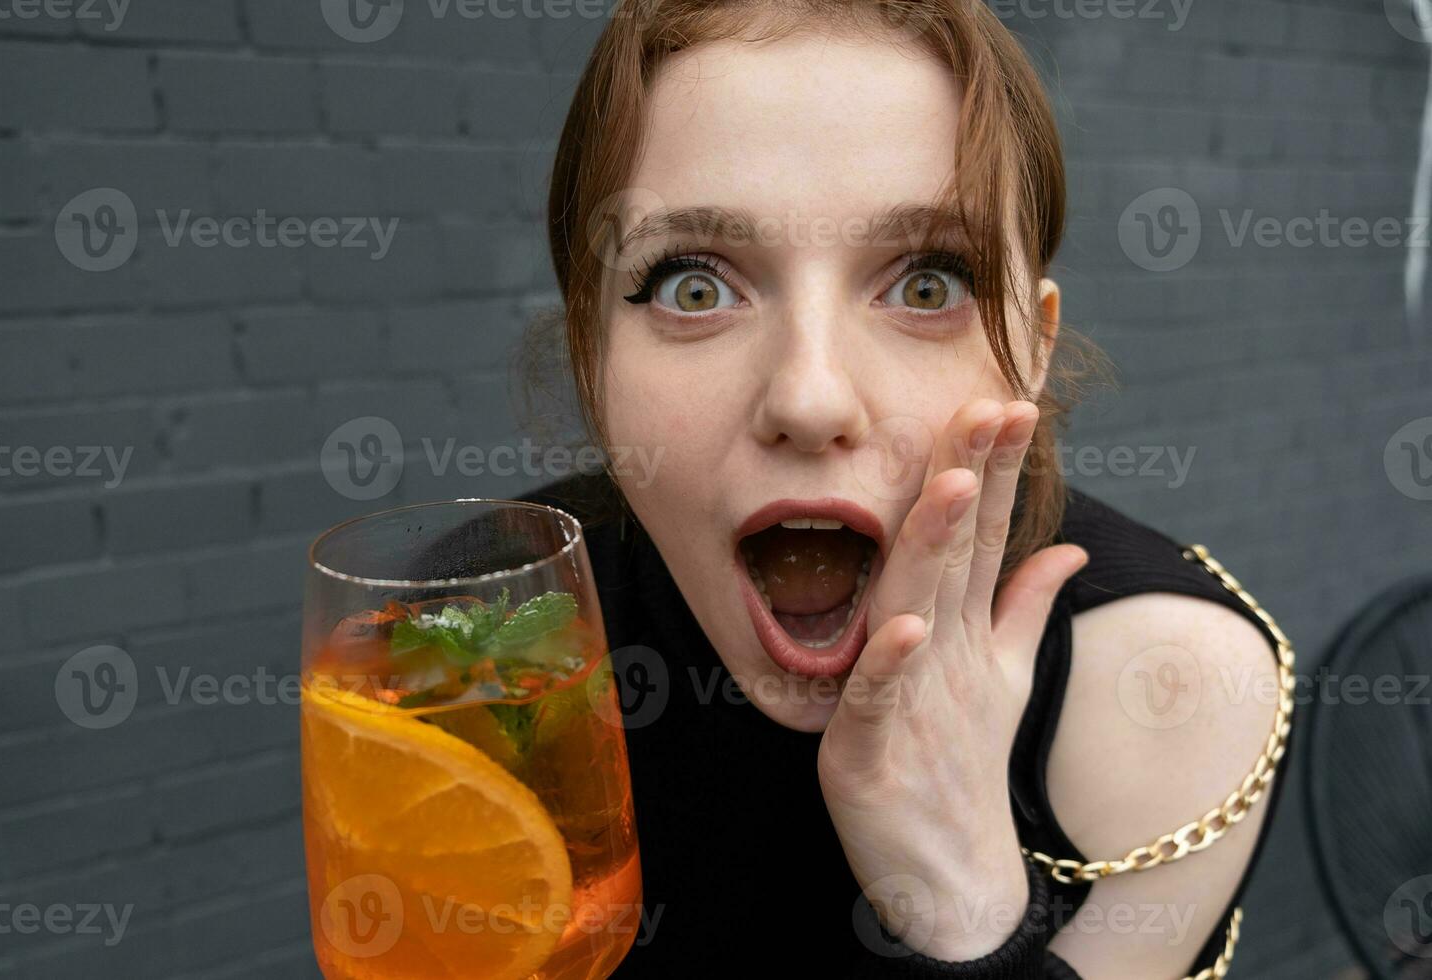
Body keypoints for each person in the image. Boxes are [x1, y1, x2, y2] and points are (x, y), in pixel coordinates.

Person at [515, 1, 1293, 976]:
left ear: (1035, 351)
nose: (809, 395)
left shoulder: (1168, 688)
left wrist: (966, 904)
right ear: (592, 354)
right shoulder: (479, 629)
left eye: (928, 282)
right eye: (692, 284)